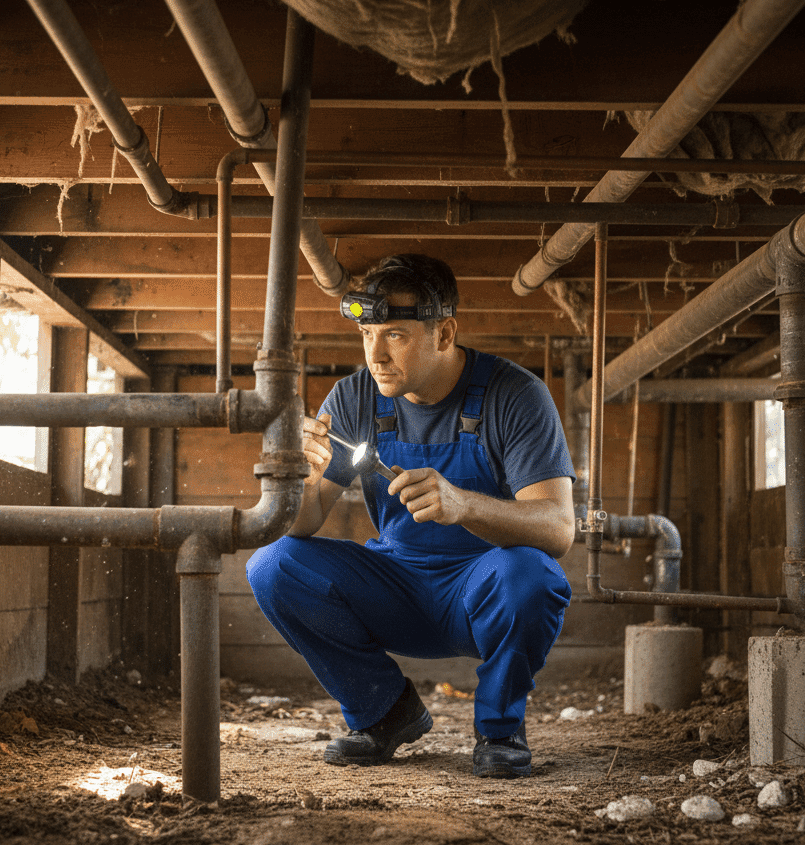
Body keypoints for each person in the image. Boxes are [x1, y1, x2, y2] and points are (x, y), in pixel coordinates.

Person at [246, 253, 576, 778]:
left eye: (395, 335)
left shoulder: (515, 396)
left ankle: (499, 728)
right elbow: (303, 524)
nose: (375, 354)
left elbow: (558, 528)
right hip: (396, 586)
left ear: (444, 334)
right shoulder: (357, 396)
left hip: (483, 592)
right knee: (273, 564)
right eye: (367, 333)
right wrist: (296, 476)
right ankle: (384, 712)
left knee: (533, 576)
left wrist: (464, 505)